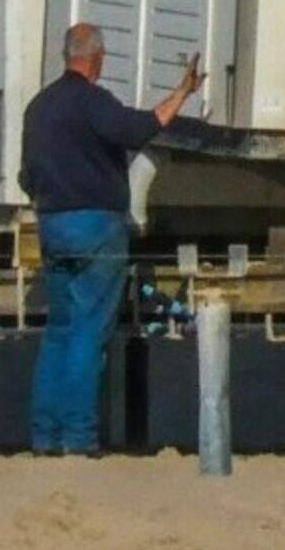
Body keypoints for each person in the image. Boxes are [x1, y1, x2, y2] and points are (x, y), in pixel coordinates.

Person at [18, 23, 199, 457]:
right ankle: (79, 439)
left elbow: (27, 177)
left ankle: (44, 437)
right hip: (95, 225)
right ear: (96, 57)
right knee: (88, 333)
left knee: (58, 331)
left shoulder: (38, 107)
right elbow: (142, 127)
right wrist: (183, 92)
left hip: (52, 223)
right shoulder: (93, 102)